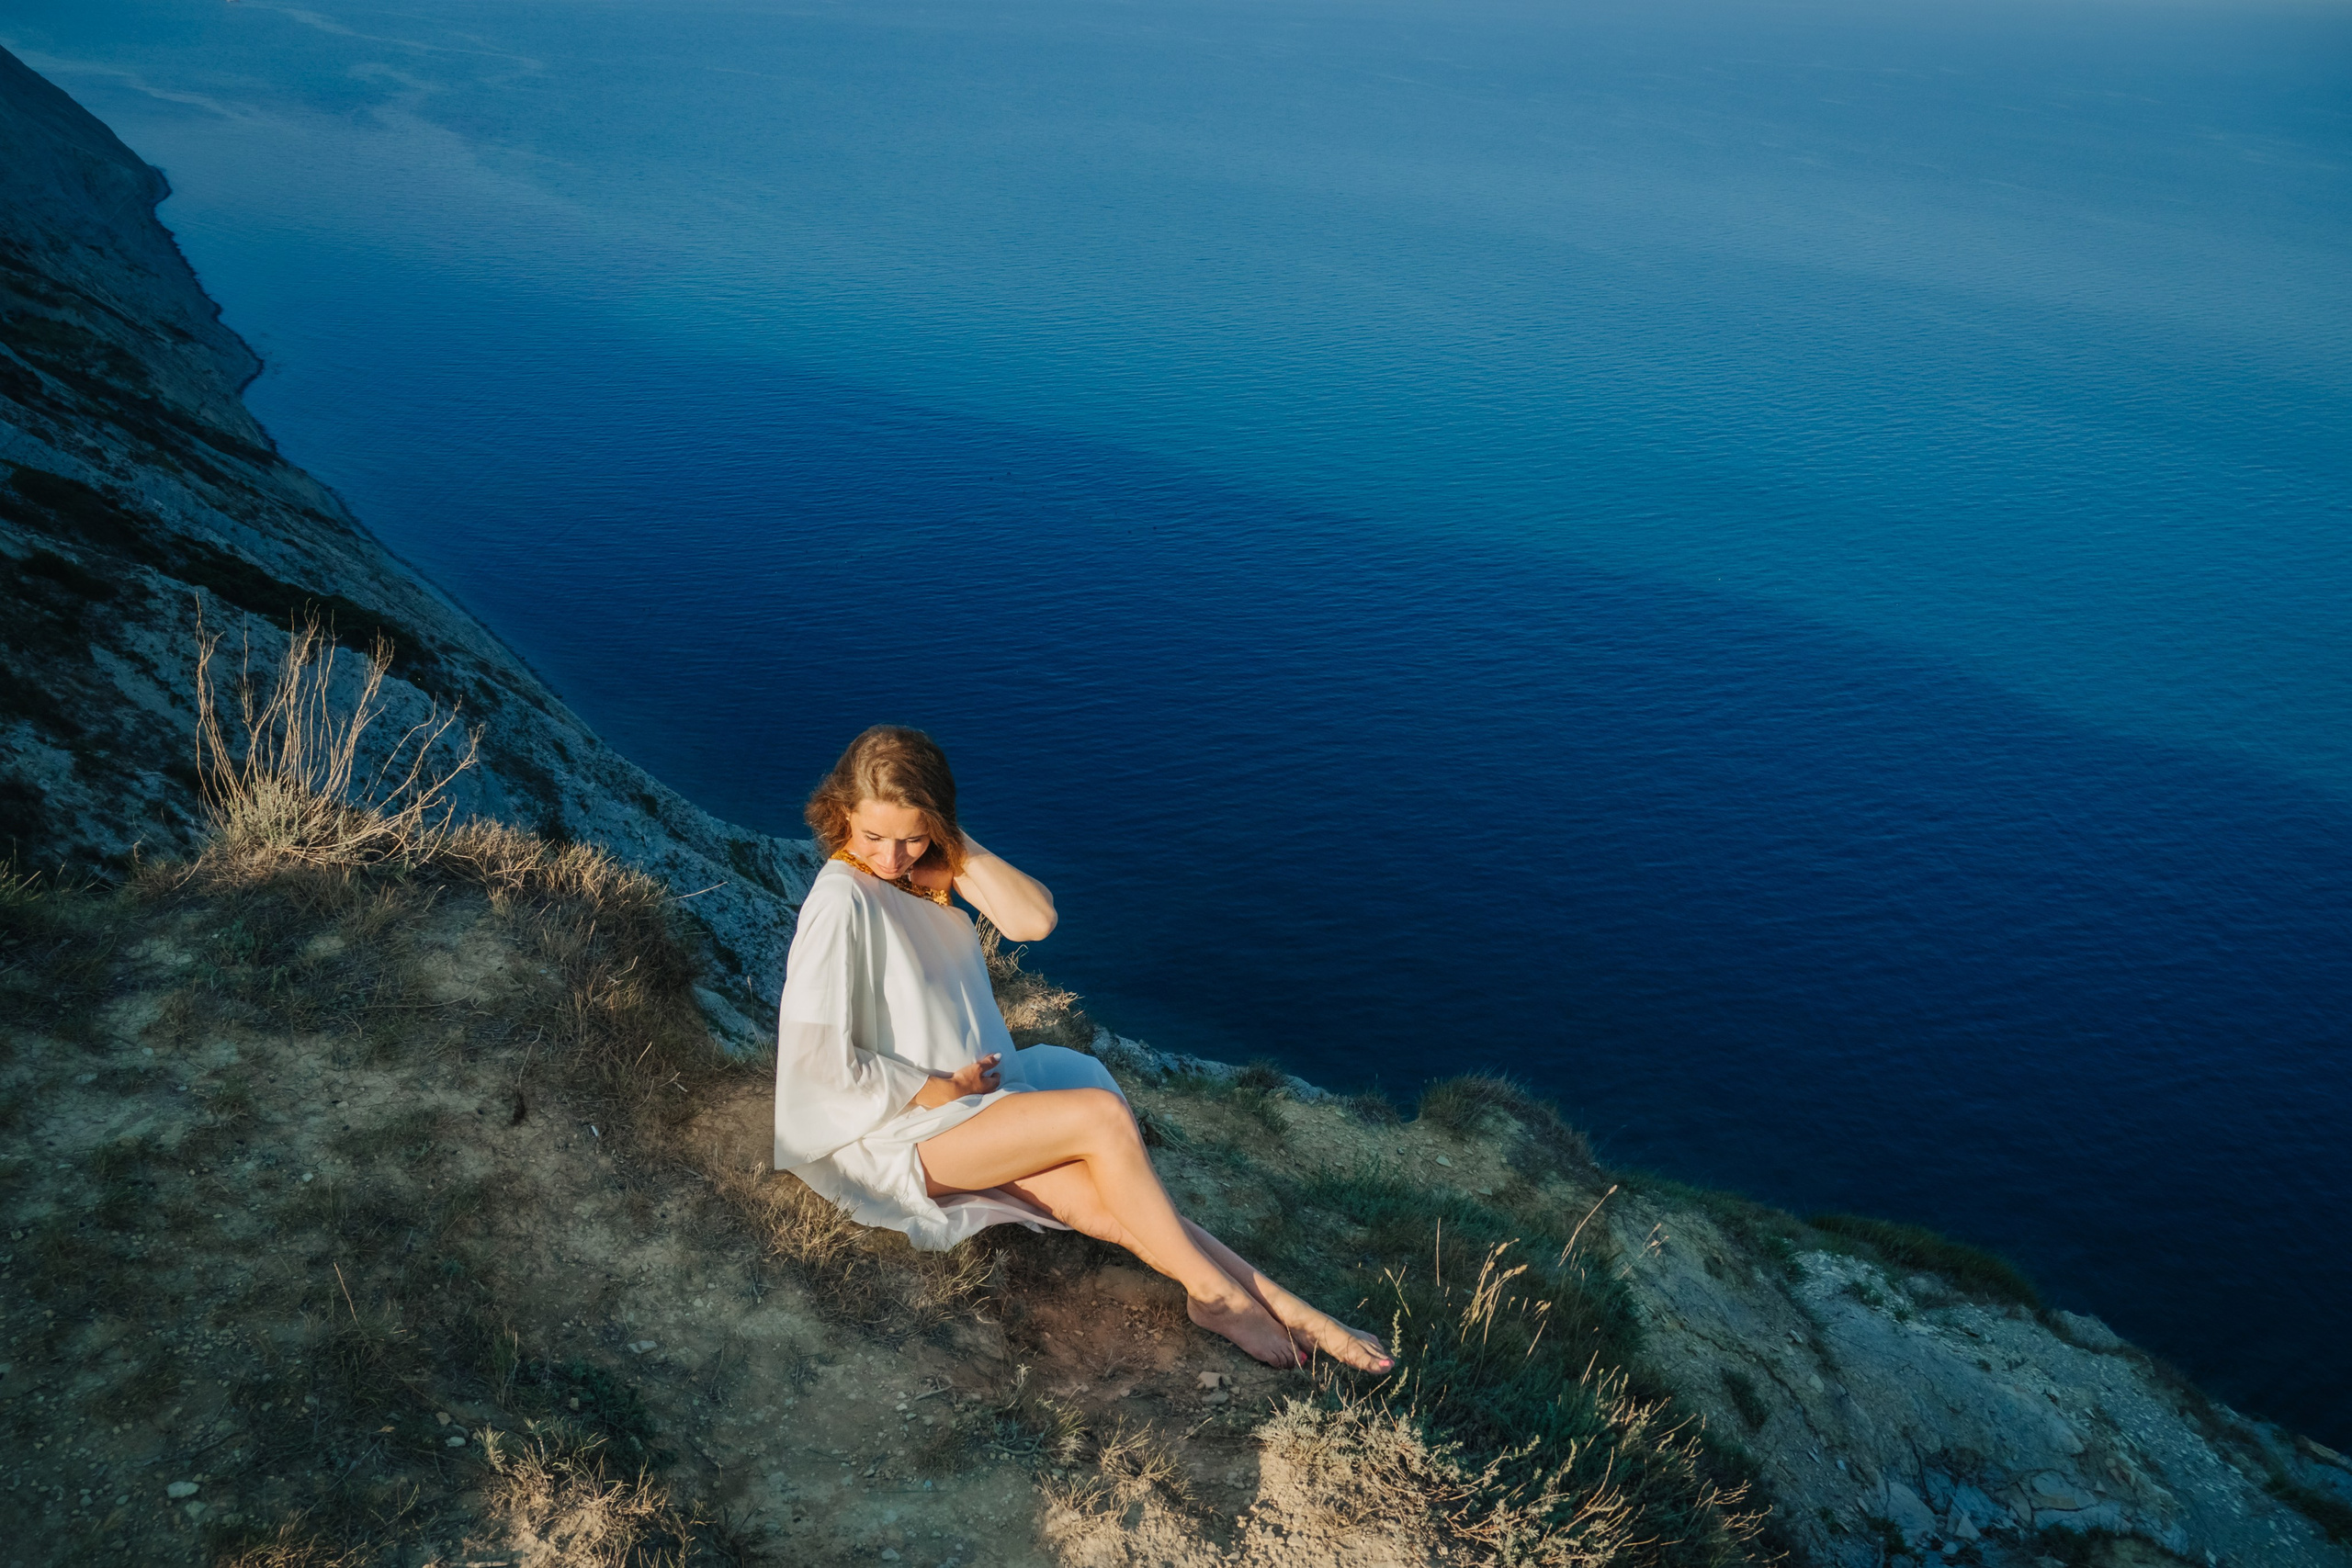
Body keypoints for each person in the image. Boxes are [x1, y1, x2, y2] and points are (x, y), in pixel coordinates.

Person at [773, 725, 1393, 1371]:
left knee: (1108, 1202)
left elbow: (1033, 921)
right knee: (1100, 1115)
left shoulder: (920, 872)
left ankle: (1288, 1306)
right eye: (873, 835)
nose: (893, 856)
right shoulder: (840, 897)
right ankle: (1214, 1296)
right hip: (892, 1132)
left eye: (912, 835)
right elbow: (815, 1056)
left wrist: (952, 845)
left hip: (969, 1111)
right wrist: (937, 1089)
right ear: (841, 814)